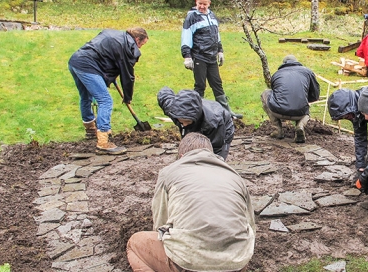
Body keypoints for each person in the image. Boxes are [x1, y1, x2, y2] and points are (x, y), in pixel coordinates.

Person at [126, 132, 255, 272]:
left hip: (188, 263)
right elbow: (250, 224)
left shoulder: (169, 173)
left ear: (181, 156)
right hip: (236, 263)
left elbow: (160, 220)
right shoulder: (234, 176)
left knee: (134, 244)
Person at [68, 27, 148, 155]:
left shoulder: (114, 34)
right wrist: (128, 97)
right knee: (105, 100)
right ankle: (103, 142)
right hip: (88, 66)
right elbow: (128, 76)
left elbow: (104, 55)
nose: (140, 48)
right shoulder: (129, 47)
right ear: (137, 39)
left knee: (86, 97)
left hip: (75, 61)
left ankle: (90, 130)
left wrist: (110, 75)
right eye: (142, 44)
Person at [181, 0, 242, 119]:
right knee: (200, 85)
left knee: (217, 84)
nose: (202, 7)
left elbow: (216, 34)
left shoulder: (212, 15)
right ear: (196, 3)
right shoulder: (191, 17)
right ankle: (197, 114)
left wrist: (220, 51)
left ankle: (226, 112)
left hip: (212, 56)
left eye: (204, 4)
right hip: (199, 56)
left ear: (209, 4)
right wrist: (187, 56)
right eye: (200, 4)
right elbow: (186, 37)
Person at [157, 86, 235, 160]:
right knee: (187, 153)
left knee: (213, 161)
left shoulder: (213, 123)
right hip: (198, 122)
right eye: (181, 121)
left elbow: (216, 149)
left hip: (222, 128)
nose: (184, 124)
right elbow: (163, 93)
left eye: (187, 121)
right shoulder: (173, 109)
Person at [261, 55, 320, 143]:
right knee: (305, 106)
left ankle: (278, 130)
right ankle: (300, 126)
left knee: (265, 93)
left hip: (277, 111)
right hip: (300, 113)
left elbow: (275, 93)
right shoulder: (307, 72)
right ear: (296, 62)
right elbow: (315, 95)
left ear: (284, 63)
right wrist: (304, 99)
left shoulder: (277, 74)